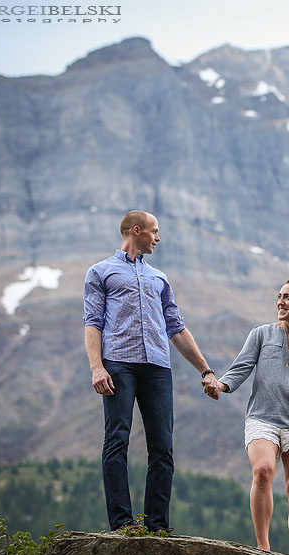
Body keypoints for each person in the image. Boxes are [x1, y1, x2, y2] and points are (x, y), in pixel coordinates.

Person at [83, 210, 219, 533]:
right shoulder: (100, 272)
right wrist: (96, 367)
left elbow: (177, 329)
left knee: (163, 446)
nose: (158, 238)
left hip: (158, 367)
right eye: (154, 232)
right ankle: (122, 524)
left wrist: (206, 369)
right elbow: (93, 323)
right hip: (118, 365)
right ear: (137, 230)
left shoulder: (159, 278)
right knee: (117, 439)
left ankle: (158, 526)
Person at [204, 278, 289, 555]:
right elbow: (241, 367)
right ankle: (263, 549)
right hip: (262, 419)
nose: (280, 302)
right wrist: (220, 386)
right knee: (262, 471)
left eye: (288, 298)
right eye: (279, 296)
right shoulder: (261, 334)